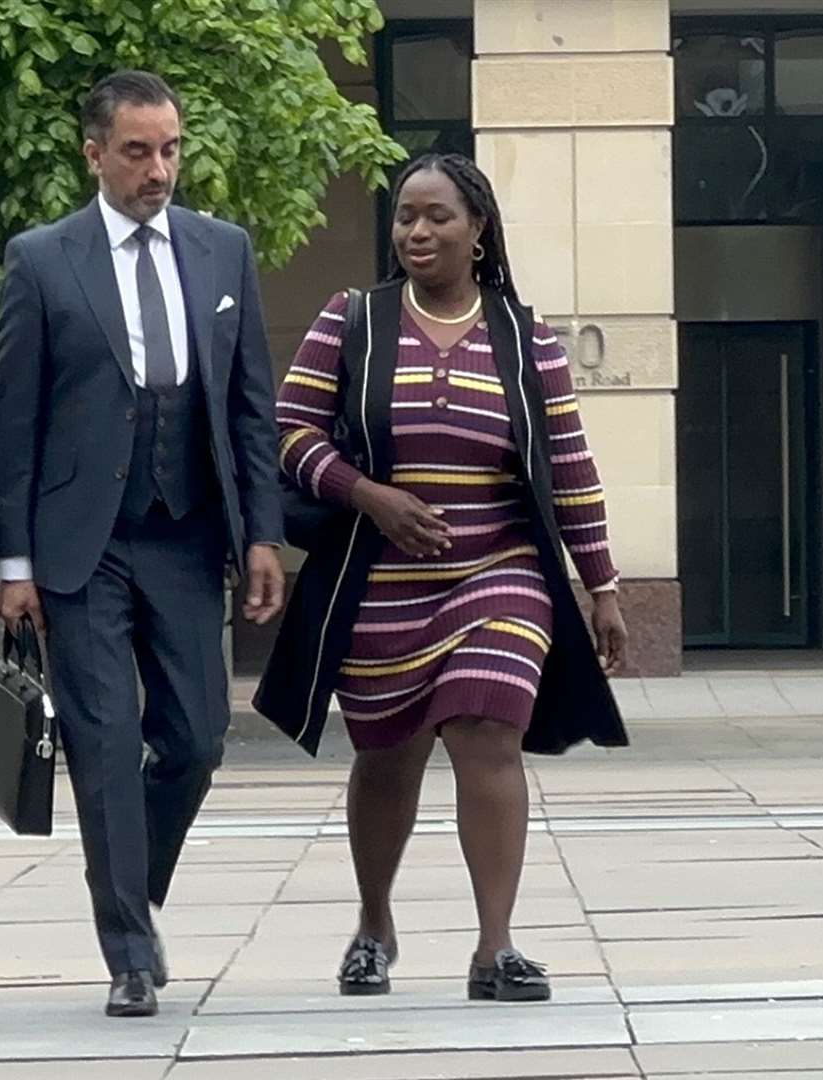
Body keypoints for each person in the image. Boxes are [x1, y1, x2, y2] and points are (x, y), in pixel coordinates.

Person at [256, 153, 630, 1003]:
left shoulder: (525, 340)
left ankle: (494, 946)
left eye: (437, 217)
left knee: (486, 730)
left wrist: (601, 584)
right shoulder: (352, 321)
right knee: (386, 754)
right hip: (379, 578)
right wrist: (369, 495)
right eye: (404, 219)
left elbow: (569, 466)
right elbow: (287, 431)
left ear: (478, 229)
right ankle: (374, 924)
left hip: (499, 570)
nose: (417, 233)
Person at [0, 70, 286, 1018]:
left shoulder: (223, 251)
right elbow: (14, 425)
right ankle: (127, 951)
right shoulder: (41, 260)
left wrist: (265, 535)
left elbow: (249, 408)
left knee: (196, 740)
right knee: (105, 743)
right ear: (94, 153)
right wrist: (13, 565)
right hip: (80, 548)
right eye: (136, 151)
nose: (158, 168)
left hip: (189, 537)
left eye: (170, 149)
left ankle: (134, 888)